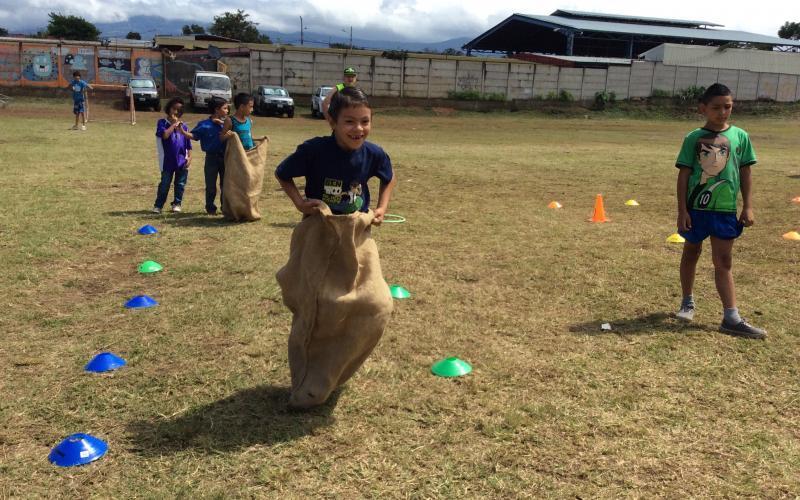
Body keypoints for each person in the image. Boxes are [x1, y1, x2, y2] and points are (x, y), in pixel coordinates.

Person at [674, 83, 765, 339]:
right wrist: (682, 211)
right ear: (703, 108)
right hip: (696, 210)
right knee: (691, 252)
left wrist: (747, 206)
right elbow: (684, 176)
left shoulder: (741, 136)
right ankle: (687, 302)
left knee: (723, 261)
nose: (722, 112)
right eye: (716, 107)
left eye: (728, 107)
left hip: (725, 211)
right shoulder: (693, 138)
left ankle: (731, 317)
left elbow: (745, 172)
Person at [275, 86, 396, 222]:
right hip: (318, 225)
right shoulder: (313, 150)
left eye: (365, 121)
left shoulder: (373, 154)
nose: (358, 128)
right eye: (349, 121)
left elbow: (389, 176)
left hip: (356, 227)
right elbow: (282, 173)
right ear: (333, 122)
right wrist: (300, 203)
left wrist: (382, 207)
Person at [188, 97, 229, 215]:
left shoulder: (228, 123)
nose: (227, 111)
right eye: (225, 108)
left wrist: (222, 123)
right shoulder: (204, 125)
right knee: (211, 185)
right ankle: (210, 208)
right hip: (211, 158)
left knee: (226, 184)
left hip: (226, 158)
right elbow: (194, 136)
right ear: (216, 109)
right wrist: (182, 131)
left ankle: (225, 207)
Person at [152, 97, 192, 213]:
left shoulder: (184, 126)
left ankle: (177, 203)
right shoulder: (162, 123)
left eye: (179, 110)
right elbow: (165, 135)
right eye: (174, 109)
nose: (176, 112)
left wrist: (189, 158)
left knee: (180, 184)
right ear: (168, 108)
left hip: (182, 161)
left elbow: (188, 145)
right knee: (165, 184)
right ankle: (158, 205)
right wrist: (173, 125)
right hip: (167, 161)